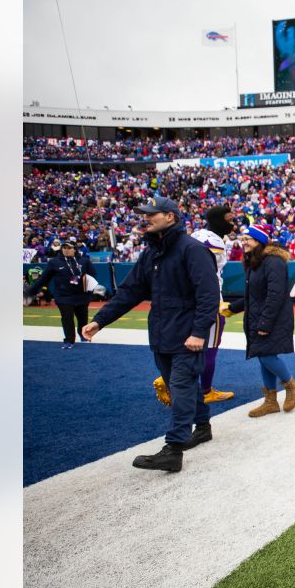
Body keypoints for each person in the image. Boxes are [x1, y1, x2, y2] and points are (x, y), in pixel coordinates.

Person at [82, 196, 220, 473]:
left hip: (187, 335)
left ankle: (174, 449)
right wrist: (100, 321)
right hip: (161, 333)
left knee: (180, 387)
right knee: (180, 386)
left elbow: (208, 294)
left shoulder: (192, 249)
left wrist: (198, 332)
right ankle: (202, 426)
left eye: (151, 214)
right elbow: (131, 291)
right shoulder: (150, 253)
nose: (145, 218)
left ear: (170, 216)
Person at [153, 204, 235, 405]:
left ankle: (170, 379)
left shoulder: (196, 235)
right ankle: (205, 390)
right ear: (218, 220)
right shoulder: (212, 242)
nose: (232, 223)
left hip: (186, 300)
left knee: (188, 346)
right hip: (208, 299)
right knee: (210, 347)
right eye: (229, 219)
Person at [221, 223, 295, 416]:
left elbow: (275, 295)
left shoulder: (273, 261)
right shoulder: (255, 261)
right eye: (243, 239)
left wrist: (265, 323)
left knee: (266, 355)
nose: (244, 242)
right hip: (259, 316)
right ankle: (270, 401)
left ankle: (292, 386)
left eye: (247, 239)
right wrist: (232, 308)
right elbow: (253, 296)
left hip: (273, 318)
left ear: (259, 241)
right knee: (263, 355)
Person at [24, 239, 97, 348]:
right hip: (63, 296)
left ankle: (83, 334)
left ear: (75, 250)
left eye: (69, 248)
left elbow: (93, 275)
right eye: (64, 248)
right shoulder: (54, 262)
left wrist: (89, 289)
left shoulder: (84, 261)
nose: (66, 250)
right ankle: (69, 340)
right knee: (67, 318)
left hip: (82, 295)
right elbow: (44, 279)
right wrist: (30, 292)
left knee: (82, 317)